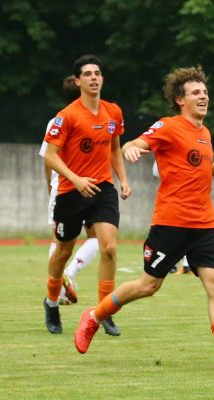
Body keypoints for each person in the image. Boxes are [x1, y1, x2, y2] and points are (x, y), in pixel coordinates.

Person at [73, 65, 214, 370]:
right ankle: (94, 315)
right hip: (171, 221)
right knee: (148, 286)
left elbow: (196, 168)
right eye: (196, 92)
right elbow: (135, 143)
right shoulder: (169, 126)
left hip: (204, 223)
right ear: (180, 100)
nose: (203, 97)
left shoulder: (204, 133)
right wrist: (131, 149)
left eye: (205, 92)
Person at [43, 54, 131, 336]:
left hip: (102, 188)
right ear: (78, 81)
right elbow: (50, 157)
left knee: (109, 247)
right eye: (88, 74)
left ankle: (104, 311)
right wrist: (75, 179)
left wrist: (123, 180)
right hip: (71, 192)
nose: (94, 77)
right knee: (63, 252)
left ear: (102, 79)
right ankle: (52, 302)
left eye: (97, 73)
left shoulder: (113, 112)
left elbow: (115, 148)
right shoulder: (66, 116)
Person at [39, 75, 99, 305]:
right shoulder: (77, 119)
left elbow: (47, 159)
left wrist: (49, 187)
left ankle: (62, 282)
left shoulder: (56, 120)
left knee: (59, 241)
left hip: (63, 187)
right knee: (96, 237)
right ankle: (68, 275)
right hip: (84, 185)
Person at [151, 160, 191, 275]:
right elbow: (156, 172)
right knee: (178, 234)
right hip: (174, 200)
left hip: (178, 200)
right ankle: (181, 265)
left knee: (179, 233)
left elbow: (156, 172)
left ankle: (182, 265)